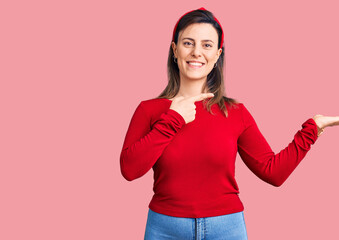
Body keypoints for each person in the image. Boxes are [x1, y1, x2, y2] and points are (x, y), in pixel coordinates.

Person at [120, 7, 338, 240]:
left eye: (206, 45)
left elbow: (273, 172)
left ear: (217, 54)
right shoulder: (149, 110)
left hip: (225, 228)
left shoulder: (236, 113)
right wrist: (173, 119)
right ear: (175, 50)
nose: (196, 52)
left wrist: (313, 130)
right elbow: (130, 170)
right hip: (165, 228)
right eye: (188, 43)